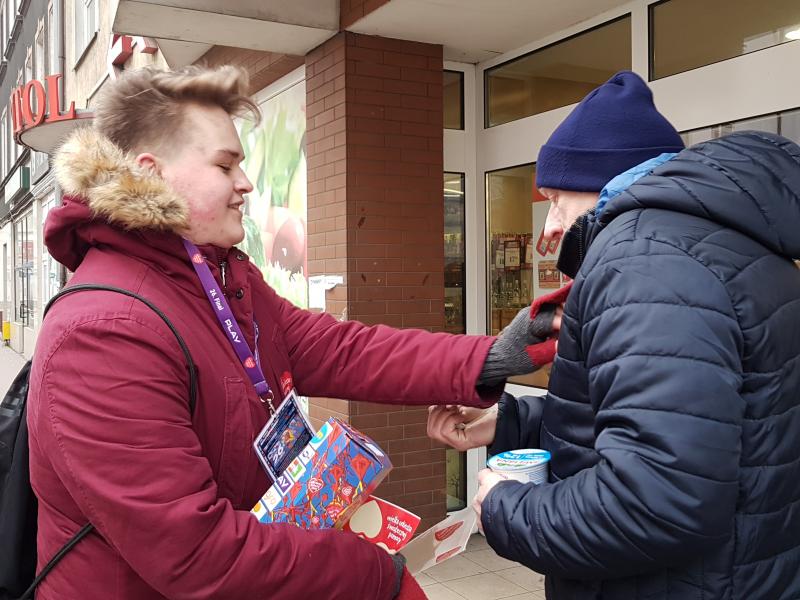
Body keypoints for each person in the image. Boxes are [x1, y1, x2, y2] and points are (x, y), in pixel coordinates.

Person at [26, 66, 558, 600]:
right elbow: (195, 554)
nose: (245, 183)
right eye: (224, 164)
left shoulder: (223, 279)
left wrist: (492, 356)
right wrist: (373, 574)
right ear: (152, 173)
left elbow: (342, 350)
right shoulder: (103, 332)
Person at [428, 70, 800, 599]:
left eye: (557, 198)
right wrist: (511, 421)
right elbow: (699, 423)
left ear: (607, 181)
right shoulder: (719, 245)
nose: (550, 226)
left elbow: (658, 498)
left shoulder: (644, 264)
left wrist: (507, 509)